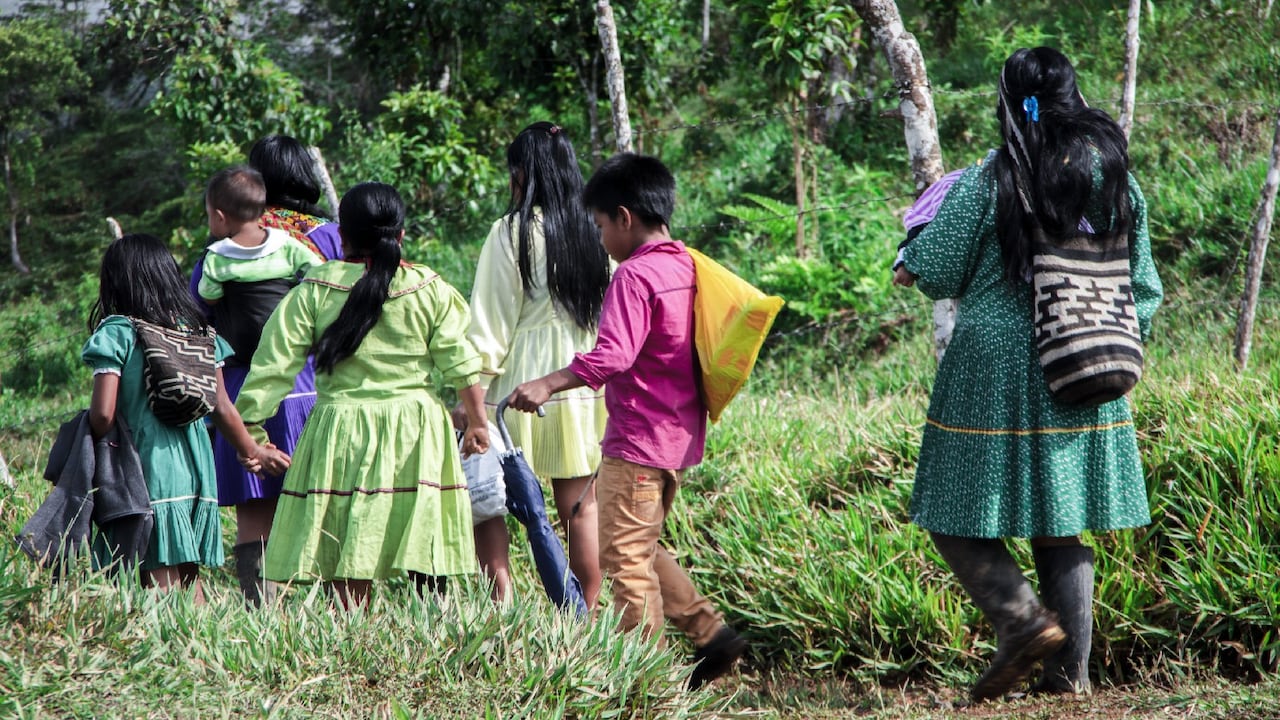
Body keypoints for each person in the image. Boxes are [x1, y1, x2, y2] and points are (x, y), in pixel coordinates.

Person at [894, 47, 1163, 700]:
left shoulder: (992, 177)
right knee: (1061, 520)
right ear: (1074, 95)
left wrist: (912, 248)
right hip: (1087, 361)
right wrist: (1102, 340)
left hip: (993, 369)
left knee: (948, 509)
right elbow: (1145, 289)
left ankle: (1020, 620)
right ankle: (1069, 678)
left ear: (1010, 104)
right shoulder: (1116, 178)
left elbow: (936, 271)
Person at [507, 153, 747, 690]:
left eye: (599, 227)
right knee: (636, 544)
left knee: (624, 562)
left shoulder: (634, 275)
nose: (599, 239)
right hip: (677, 438)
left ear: (623, 217)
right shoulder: (686, 264)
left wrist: (547, 383)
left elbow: (613, 356)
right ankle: (709, 633)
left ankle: (647, 678)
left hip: (637, 441)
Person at [234, 181, 490, 611]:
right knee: (424, 537)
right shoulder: (427, 288)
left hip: (341, 430)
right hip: (418, 430)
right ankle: (434, 628)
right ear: (401, 235)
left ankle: (353, 628)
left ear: (343, 237)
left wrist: (252, 432)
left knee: (348, 540)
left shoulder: (315, 290)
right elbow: (460, 362)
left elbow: (272, 367)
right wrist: (478, 422)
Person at [83, 233, 289, 603]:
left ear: (115, 282)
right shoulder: (196, 332)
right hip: (196, 468)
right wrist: (253, 451)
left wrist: (89, 438)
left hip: (148, 465)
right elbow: (222, 405)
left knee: (157, 565)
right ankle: (199, 631)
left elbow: (103, 412)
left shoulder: (117, 333)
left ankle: (170, 634)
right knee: (188, 571)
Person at [461, 121, 611, 606]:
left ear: (523, 174)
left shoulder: (511, 232)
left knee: (492, 494)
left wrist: (472, 392)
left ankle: (502, 600)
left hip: (519, 382)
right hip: (579, 381)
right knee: (579, 503)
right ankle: (586, 610)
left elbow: (491, 320)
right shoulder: (596, 229)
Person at [196, 165, 323, 605]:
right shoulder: (291, 245)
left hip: (240, 388)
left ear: (219, 215)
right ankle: (325, 601)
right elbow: (319, 280)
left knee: (254, 509)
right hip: (299, 384)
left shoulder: (214, 258)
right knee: (315, 497)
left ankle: (262, 606)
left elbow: (203, 305)